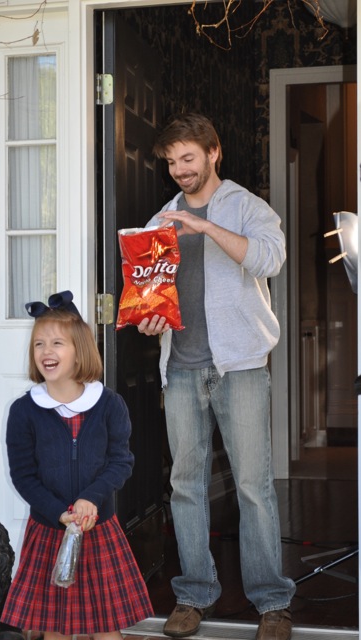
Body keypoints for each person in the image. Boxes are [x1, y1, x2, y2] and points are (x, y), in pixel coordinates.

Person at [137, 113, 296, 640]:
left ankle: (272, 603)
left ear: (213, 153)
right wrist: (149, 319)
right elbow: (151, 297)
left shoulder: (247, 207)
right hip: (180, 367)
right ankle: (193, 594)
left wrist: (205, 227)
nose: (180, 170)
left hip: (242, 365)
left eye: (188, 158)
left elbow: (272, 259)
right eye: (172, 162)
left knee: (253, 487)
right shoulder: (159, 219)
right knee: (185, 485)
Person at [0, 290, 154, 640]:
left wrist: (92, 498)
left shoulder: (108, 405)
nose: (46, 352)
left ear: (79, 350)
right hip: (50, 530)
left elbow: (120, 461)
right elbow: (23, 476)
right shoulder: (24, 411)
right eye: (39, 344)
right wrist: (58, 512)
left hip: (98, 528)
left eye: (57, 343)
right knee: (56, 627)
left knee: (105, 627)